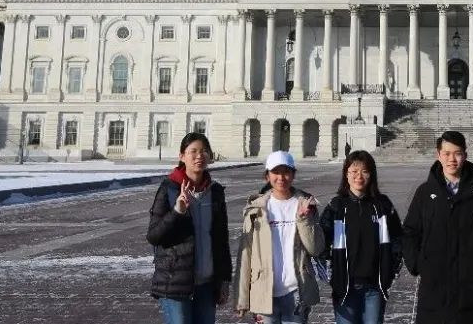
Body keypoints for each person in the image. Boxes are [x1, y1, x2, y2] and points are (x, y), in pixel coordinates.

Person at [403, 131, 473, 324]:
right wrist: (418, 264)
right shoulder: (425, 192)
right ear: (438, 155)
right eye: (446, 153)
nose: (451, 159)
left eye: (457, 153)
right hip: (434, 284)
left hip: (469, 286)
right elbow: (410, 231)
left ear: (465, 155)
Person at [147, 131, 232, 324]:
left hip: (207, 283)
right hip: (175, 282)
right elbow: (154, 236)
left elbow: (221, 240)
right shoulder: (169, 189)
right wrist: (177, 211)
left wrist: (224, 280)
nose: (199, 156)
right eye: (193, 151)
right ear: (182, 156)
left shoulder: (215, 192)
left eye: (204, 151)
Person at [234, 150, 325, 324]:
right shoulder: (256, 209)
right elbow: (245, 256)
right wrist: (242, 298)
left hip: (297, 290)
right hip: (263, 290)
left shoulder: (306, 204)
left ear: (293, 174)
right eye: (276, 172)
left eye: (286, 172)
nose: (281, 177)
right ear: (267, 176)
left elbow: (316, 249)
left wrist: (304, 219)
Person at [319, 150, 404, 324]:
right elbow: (321, 243)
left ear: (371, 174)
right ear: (346, 174)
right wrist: (331, 275)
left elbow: (397, 239)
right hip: (345, 287)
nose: (359, 176)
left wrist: (390, 271)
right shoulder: (336, 206)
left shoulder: (382, 205)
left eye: (364, 171)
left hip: (374, 286)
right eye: (354, 171)